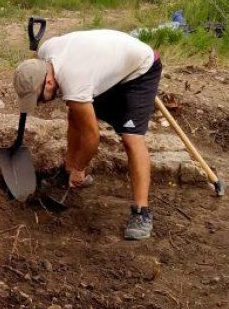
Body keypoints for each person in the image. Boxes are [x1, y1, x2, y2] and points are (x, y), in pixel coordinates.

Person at [13, 29, 164, 240]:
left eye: (38, 97)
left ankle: (142, 212)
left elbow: (93, 137)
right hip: (110, 63)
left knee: (131, 138)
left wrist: (80, 167)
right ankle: (67, 172)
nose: (39, 103)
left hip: (140, 68)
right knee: (75, 113)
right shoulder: (45, 52)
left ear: (48, 82)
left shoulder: (73, 80)